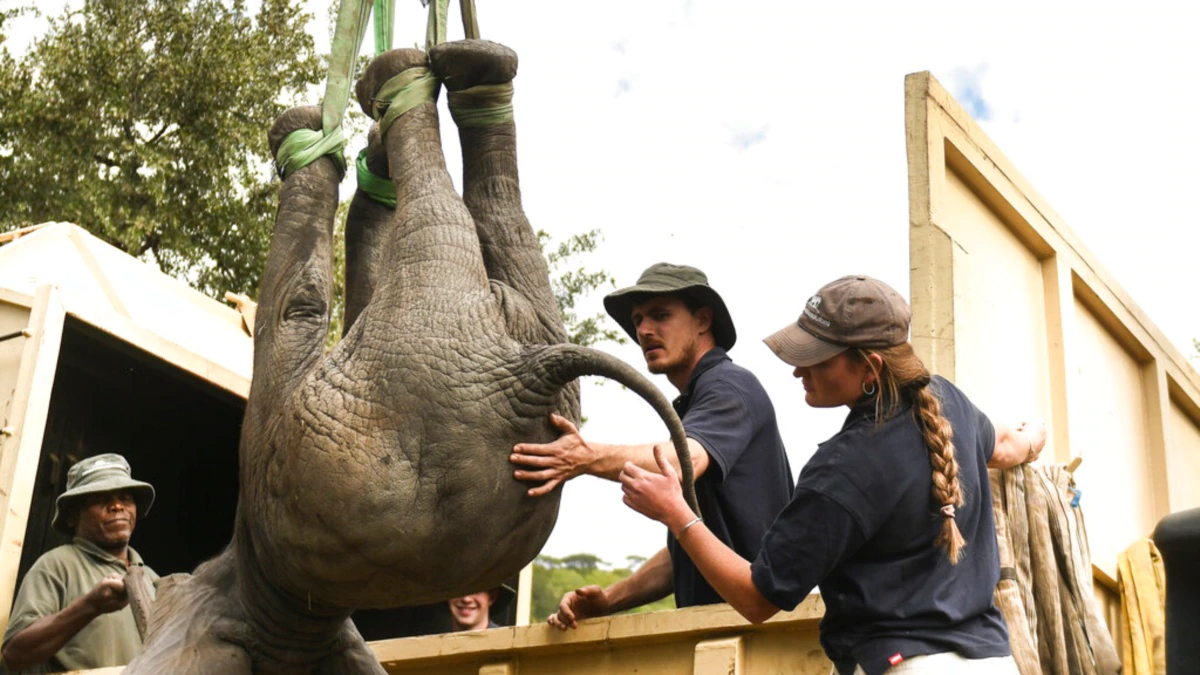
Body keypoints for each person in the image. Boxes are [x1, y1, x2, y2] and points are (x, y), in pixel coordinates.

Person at [620, 275, 1045, 675]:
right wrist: (1035, 438)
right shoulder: (948, 400)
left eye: (814, 359)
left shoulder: (844, 467)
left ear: (870, 367)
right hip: (993, 662)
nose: (797, 370)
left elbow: (757, 599)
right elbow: (1006, 447)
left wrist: (677, 513)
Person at [510, 262, 793, 628]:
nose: (643, 330)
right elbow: (689, 549)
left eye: (660, 315)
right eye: (638, 319)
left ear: (703, 321)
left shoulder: (729, 387)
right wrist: (609, 600)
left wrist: (584, 457)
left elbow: (678, 461)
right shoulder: (697, 402)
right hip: (725, 633)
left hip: (764, 637)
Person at [2, 454, 159, 673]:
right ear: (73, 517)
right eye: (101, 500)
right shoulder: (56, 566)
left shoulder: (152, 579)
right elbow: (14, 655)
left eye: (124, 497)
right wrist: (90, 606)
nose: (116, 506)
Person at [447, 585, 512, 632]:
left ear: (492, 596)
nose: (466, 599)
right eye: (459, 590)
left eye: (475, 591)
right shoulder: (437, 646)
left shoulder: (511, 647)